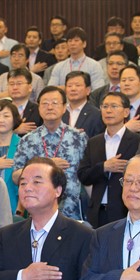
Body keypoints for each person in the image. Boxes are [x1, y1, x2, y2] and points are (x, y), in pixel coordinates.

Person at [13, 86, 88, 220]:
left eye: (55, 103)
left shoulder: (78, 137)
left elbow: (87, 173)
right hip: (38, 213)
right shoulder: (28, 140)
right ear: (39, 108)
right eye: (45, 103)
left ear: (64, 108)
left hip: (73, 212)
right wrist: (46, 165)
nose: (50, 107)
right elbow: (15, 176)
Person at [78, 92, 139, 229]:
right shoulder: (94, 142)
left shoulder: (137, 141)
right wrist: (104, 167)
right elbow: (83, 175)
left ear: (126, 112)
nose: (108, 110)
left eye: (114, 106)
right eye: (105, 106)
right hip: (97, 211)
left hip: (124, 210)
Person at [0, 100, 21, 213]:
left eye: (6, 116)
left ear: (14, 119)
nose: (0, 120)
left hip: (13, 202)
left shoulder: (23, 144)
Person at [62, 71, 104, 138]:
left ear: (88, 90)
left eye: (77, 85)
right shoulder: (59, 112)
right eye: (69, 86)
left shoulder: (97, 115)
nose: (73, 89)